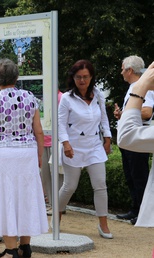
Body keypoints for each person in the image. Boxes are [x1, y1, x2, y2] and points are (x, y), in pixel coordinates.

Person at [0, 59, 47, 258]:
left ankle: (11, 249)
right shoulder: (30, 97)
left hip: (3, 154)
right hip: (27, 152)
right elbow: (39, 131)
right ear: (16, 77)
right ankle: (25, 246)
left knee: (6, 197)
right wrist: (39, 156)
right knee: (26, 197)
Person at [58, 59, 113, 239]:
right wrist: (65, 143)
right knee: (69, 186)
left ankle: (103, 225)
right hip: (73, 146)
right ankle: (55, 217)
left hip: (94, 146)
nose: (82, 80)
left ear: (91, 77)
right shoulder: (67, 98)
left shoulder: (98, 95)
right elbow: (61, 123)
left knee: (100, 185)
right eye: (78, 77)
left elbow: (104, 119)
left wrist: (107, 139)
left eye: (86, 77)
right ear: (73, 78)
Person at [113, 55, 153, 225]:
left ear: (129, 70)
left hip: (139, 137)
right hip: (134, 137)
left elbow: (147, 112)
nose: (121, 72)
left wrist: (125, 114)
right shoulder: (134, 87)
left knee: (139, 177)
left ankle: (141, 212)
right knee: (132, 176)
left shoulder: (144, 88)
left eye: (122, 68)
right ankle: (136, 209)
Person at [41, 90, 64, 215]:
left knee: (57, 174)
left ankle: (60, 204)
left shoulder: (61, 97)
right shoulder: (46, 98)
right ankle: (51, 204)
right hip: (44, 140)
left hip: (56, 141)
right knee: (45, 175)